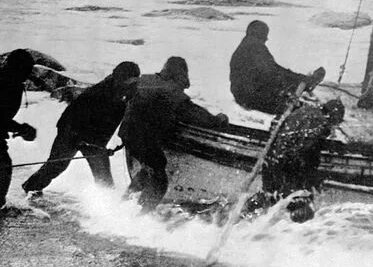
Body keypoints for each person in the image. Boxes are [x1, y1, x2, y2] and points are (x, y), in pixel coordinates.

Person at [119, 57, 228, 212]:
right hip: (142, 136)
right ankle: (140, 218)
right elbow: (194, 113)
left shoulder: (145, 81)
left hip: (127, 132)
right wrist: (218, 120)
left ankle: (123, 206)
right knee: (159, 180)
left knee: (148, 169)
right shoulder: (170, 90)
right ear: (178, 76)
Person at [21, 61, 140, 196]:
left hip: (95, 138)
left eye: (133, 81)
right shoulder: (99, 93)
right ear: (118, 77)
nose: (130, 84)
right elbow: (79, 120)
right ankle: (31, 187)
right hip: (71, 131)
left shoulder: (127, 91)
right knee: (57, 164)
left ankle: (107, 202)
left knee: (103, 174)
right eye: (127, 81)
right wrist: (92, 145)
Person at [246, 98, 345, 223]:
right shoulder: (321, 123)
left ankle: (244, 216)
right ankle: (291, 232)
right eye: (336, 122)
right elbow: (306, 152)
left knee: (269, 195)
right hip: (287, 165)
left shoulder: (305, 110)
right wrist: (310, 179)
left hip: (272, 159)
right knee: (300, 205)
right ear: (334, 116)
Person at [229, 20, 325, 114]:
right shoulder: (255, 48)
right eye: (265, 35)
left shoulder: (246, 46)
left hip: (244, 94)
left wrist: (297, 79)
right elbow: (272, 73)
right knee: (301, 108)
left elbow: (273, 70)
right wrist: (299, 79)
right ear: (260, 35)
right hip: (250, 97)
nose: (266, 39)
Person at [0, 49, 37, 210]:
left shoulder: (14, 83)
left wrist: (20, 129)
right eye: (25, 70)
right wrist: (20, 128)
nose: (28, 75)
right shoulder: (5, 83)